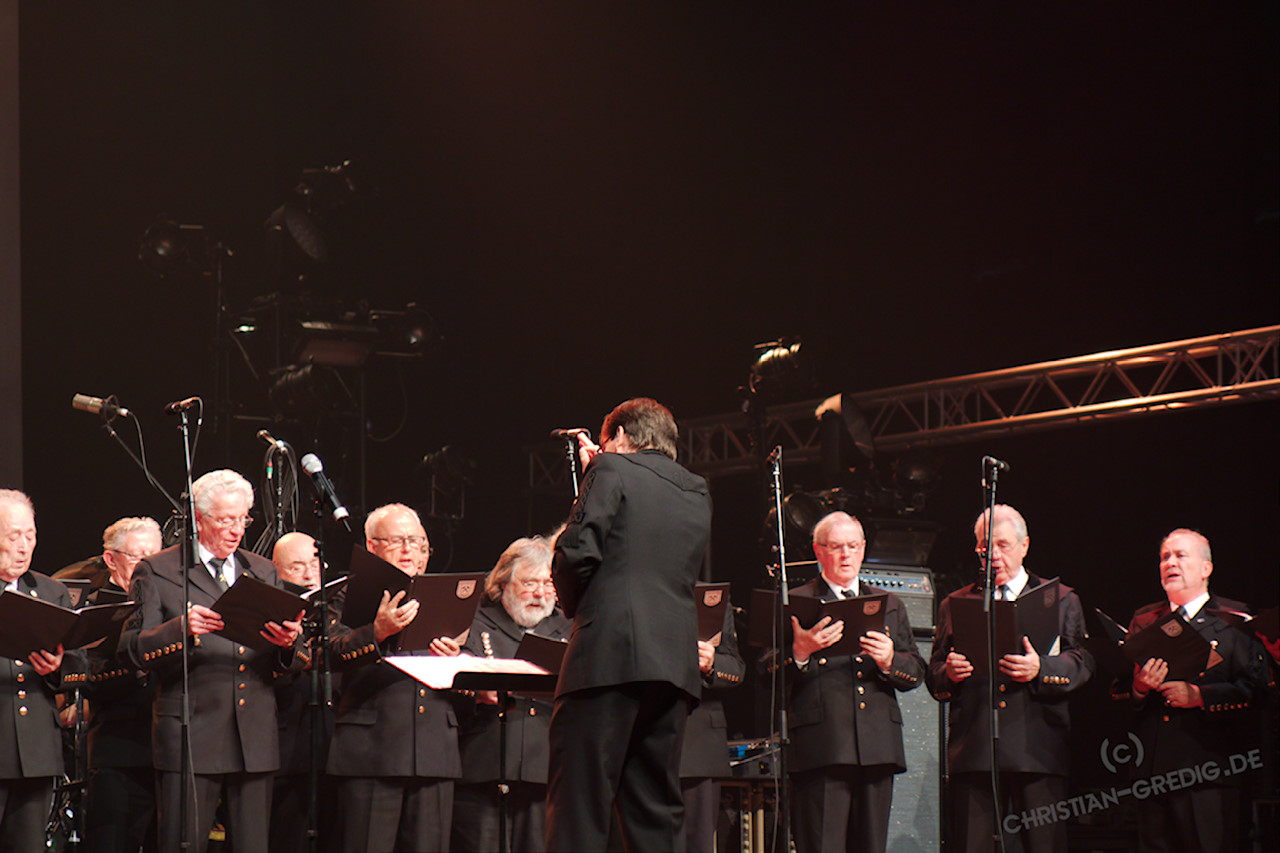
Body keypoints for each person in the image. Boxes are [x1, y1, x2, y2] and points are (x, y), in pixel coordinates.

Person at [546, 397, 713, 852]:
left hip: (607, 657)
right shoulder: (696, 488)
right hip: (672, 664)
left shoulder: (609, 470)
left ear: (620, 436)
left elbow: (577, 552)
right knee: (655, 810)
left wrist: (575, 609)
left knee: (579, 806)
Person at [119, 470, 304, 853]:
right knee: (182, 843)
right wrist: (180, 629)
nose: (236, 529)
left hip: (253, 735)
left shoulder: (262, 570)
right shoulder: (160, 570)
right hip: (191, 733)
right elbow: (132, 649)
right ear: (200, 519)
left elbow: (285, 660)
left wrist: (288, 645)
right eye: (225, 519)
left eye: (243, 519)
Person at [926, 504, 1093, 853]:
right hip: (975, 747)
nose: (994, 555)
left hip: (1039, 749)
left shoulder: (1060, 599)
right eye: (986, 547)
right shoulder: (955, 603)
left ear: (1024, 545)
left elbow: (1082, 662)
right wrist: (950, 673)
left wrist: (1041, 669)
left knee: (1043, 845)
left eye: (1003, 545)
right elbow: (935, 672)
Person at [781, 511, 925, 853]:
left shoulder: (889, 603)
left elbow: (916, 671)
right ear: (818, 551)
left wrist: (890, 660)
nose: (845, 555)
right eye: (835, 547)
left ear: (863, 549)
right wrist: (799, 652)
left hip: (877, 746)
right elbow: (763, 671)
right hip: (823, 744)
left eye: (852, 546)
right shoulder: (797, 601)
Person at [326, 503, 463, 853]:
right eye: (399, 541)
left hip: (435, 752)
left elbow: (470, 678)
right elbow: (326, 653)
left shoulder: (448, 596)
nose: (410, 551)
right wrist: (377, 632)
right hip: (373, 751)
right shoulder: (346, 594)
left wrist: (457, 661)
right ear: (372, 546)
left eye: (418, 543)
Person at [1123, 528, 1268, 853]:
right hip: (1153, 772)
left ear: (1206, 568)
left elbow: (1257, 692)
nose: (1169, 563)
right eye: (1164, 557)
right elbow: (1118, 692)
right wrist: (1139, 688)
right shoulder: (1145, 621)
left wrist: (1201, 697)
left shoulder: (1234, 621)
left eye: (1180, 555)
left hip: (1209, 774)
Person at [452, 534, 571, 852]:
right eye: (530, 583)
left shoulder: (569, 630)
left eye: (548, 584)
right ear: (503, 584)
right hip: (483, 769)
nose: (541, 593)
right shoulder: (473, 624)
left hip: (546, 772)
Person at [0, 489, 77, 851]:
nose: (24, 546)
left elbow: (80, 665)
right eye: (13, 536)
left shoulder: (50, 591)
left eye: (30, 535)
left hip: (35, 749)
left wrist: (57, 669)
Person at [81, 516, 164, 853]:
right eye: (136, 557)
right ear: (110, 559)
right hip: (118, 750)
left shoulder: (170, 604)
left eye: (153, 557)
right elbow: (90, 680)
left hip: (166, 749)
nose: (146, 566)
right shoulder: (97, 609)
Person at [268, 531, 336, 853]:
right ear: (276, 569)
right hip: (287, 746)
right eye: (297, 567)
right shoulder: (269, 608)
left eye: (315, 563)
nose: (310, 574)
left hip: (334, 747)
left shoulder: (336, 607)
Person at [679, 593, 744, 853]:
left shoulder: (710, 598)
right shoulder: (632, 588)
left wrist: (711, 663)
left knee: (698, 844)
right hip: (643, 739)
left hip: (699, 744)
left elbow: (736, 669)